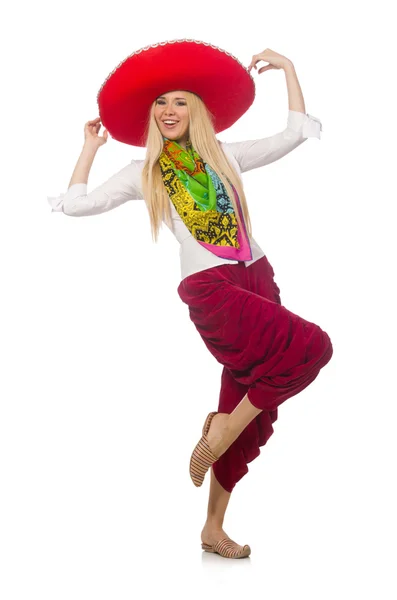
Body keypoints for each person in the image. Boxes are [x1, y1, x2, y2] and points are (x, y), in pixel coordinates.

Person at [47, 40, 333, 559]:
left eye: (180, 101)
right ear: (150, 117)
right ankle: (220, 430)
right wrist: (90, 148)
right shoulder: (145, 173)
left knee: (255, 409)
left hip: (258, 277)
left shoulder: (226, 156)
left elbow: (293, 133)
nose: (169, 111)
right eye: (160, 103)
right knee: (312, 348)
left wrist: (289, 66)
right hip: (212, 289)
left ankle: (212, 527)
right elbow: (77, 205)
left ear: (197, 111)